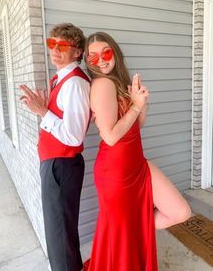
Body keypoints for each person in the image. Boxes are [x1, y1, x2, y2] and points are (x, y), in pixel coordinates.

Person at [83, 31, 191, 271]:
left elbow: (136, 126)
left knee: (180, 212)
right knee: (124, 237)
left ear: (115, 53)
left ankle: (136, 227)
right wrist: (135, 107)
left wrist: (141, 103)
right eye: (92, 57)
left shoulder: (118, 82)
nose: (100, 60)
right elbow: (110, 137)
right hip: (116, 174)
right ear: (88, 62)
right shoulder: (101, 85)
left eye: (106, 53)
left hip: (137, 166)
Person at [19, 23, 91, 271]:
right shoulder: (62, 79)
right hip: (56, 165)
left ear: (78, 52)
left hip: (62, 166)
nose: (55, 50)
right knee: (60, 232)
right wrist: (44, 112)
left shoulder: (75, 84)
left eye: (63, 45)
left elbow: (73, 137)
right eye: (52, 44)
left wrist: (43, 112)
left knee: (59, 233)